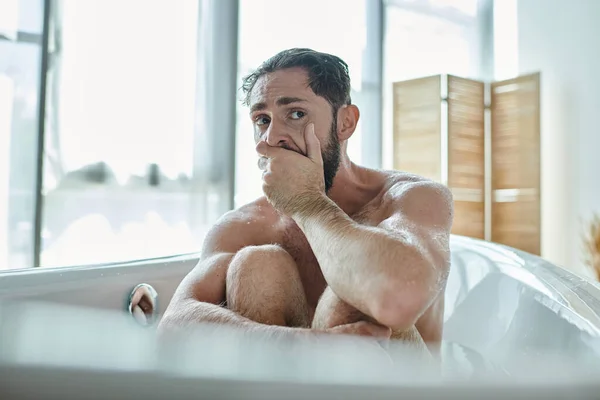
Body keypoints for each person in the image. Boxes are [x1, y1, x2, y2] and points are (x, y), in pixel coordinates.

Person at [158, 48, 453, 355]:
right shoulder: (245, 226)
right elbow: (172, 328)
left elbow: (396, 300)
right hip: (285, 384)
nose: (271, 138)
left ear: (345, 123)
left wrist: (308, 203)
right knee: (255, 265)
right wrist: (297, 343)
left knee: (351, 296)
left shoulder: (412, 197)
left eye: (296, 114)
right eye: (262, 119)